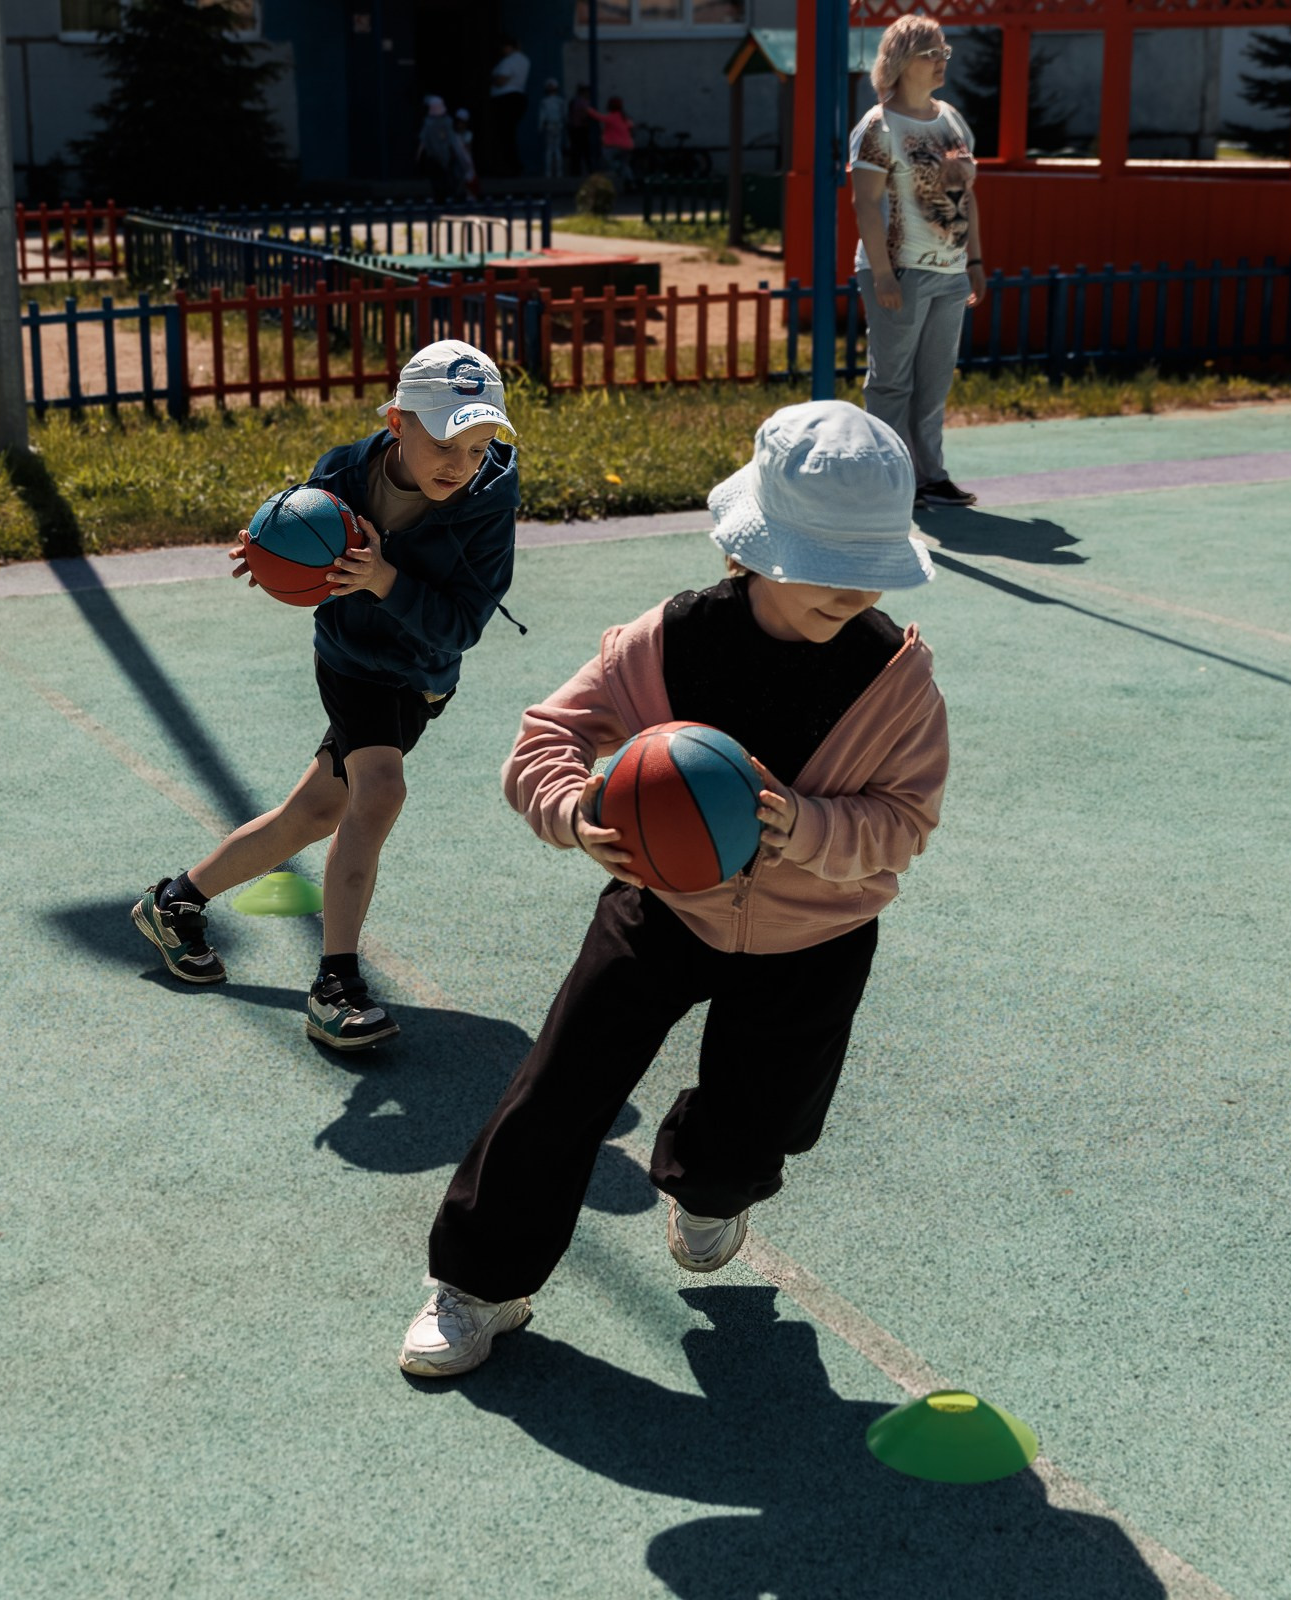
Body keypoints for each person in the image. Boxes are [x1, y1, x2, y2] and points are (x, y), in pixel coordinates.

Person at [398, 400, 949, 1378]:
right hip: (663, 907)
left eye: (873, 567)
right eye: (830, 564)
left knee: (756, 1128)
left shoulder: (893, 677)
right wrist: (574, 812)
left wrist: (808, 826)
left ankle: (713, 1183)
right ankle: (480, 1282)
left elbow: (904, 820)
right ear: (759, 549)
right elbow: (546, 739)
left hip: (815, 935)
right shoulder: (667, 643)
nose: (856, 590)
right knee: (559, 1087)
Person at [133, 339, 524, 1053]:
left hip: (424, 673)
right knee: (379, 792)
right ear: (397, 421)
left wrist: (386, 580)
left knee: (314, 810)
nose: (460, 465)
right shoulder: (343, 470)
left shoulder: (488, 506)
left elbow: (463, 624)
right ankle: (336, 986)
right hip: (352, 661)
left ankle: (175, 901)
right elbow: (303, 538)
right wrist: (273, 555)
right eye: (444, 442)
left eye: (478, 446)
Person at [848, 14, 989, 509]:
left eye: (944, 52)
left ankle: (930, 477)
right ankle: (889, 481)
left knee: (933, 382)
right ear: (903, 60)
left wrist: (975, 260)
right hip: (900, 271)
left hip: (950, 273)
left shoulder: (950, 119)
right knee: (891, 382)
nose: (942, 61)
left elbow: (965, 193)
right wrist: (883, 273)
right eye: (932, 52)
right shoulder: (876, 127)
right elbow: (865, 203)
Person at [487, 35, 531, 179]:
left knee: (504, 135)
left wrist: (492, 78)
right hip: (516, 98)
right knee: (507, 134)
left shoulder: (510, 61)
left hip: (506, 100)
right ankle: (512, 166)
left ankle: (511, 167)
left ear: (509, 47)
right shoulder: (524, 60)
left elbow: (500, 81)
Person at [416, 95, 463, 203]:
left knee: (443, 178)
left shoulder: (444, 121)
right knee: (439, 178)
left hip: (442, 155)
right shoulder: (431, 122)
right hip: (435, 156)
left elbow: (452, 140)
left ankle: (445, 197)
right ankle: (442, 197)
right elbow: (424, 140)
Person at [598, 96, 636, 187]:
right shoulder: (624, 116)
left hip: (614, 145)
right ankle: (630, 182)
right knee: (625, 164)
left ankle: (620, 172)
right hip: (626, 146)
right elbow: (631, 130)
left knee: (608, 158)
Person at [536, 79, 568, 180]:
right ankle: (559, 172)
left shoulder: (545, 101)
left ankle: (548, 172)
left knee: (550, 150)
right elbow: (564, 115)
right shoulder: (560, 101)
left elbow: (542, 116)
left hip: (550, 126)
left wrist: (540, 127)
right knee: (557, 150)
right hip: (558, 125)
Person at [566, 84, 599, 176]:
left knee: (576, 151)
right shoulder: (584, 102)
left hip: (574, 129)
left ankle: (576, 171)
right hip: (582, 129)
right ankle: (589, 170)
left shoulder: (574, 102)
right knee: (585, 151)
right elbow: (585, 116)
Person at [451, 107, 481, 199]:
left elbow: (468, 150)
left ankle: (469, 196)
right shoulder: (453, 135)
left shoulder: (468, 135)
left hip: (466, 162)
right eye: (458, 122)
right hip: (456, 162)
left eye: (462, 122)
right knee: (457, 178)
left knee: (468, 178)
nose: (460, 124)